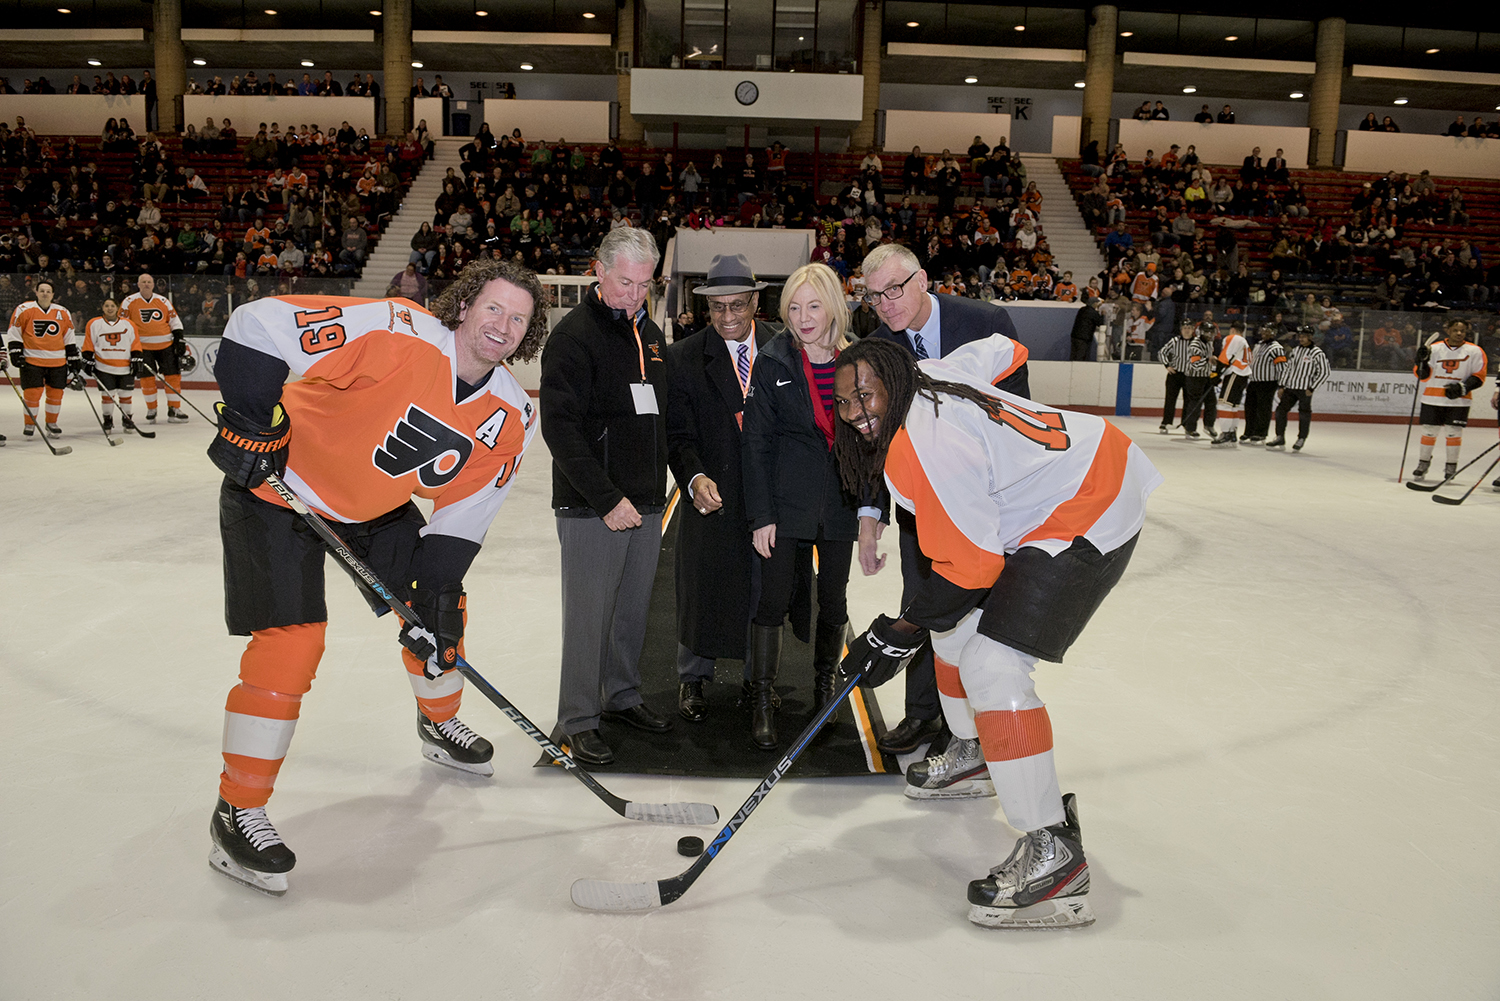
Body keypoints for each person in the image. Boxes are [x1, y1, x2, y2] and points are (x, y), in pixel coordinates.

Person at [203, 257, 545, 896]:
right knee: (292, 644)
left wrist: (434, 601)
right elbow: (259, 324)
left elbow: (464, 516)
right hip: (277, 489)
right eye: (494, 307)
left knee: (440, 615)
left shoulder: (514, 417)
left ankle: (438, 722)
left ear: (529, 335)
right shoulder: (397, 329)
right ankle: (237, 809)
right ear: (465, 306)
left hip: (373, 506)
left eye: (519, 318)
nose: (503, 324)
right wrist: (251, 420)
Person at [830, 335, 1162, 928]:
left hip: (1092, 501)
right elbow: (1005, 348)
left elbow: (973, 567)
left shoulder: (928, 444)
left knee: (992, 665)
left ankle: (1053, 851)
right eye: (846, 401)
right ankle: (977, 753)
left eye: (866, 396)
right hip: (1070, 480)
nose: (857, 412)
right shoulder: (932, 372)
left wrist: (894, 633)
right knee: (952, 633)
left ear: (895, 382)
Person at [858, 242, 1030, 757]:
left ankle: (970, 731)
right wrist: (871, 517)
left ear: (923, 279)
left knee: (983, 611)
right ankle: (922, 714)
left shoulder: (986, 322)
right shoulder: (875, 349)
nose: (886, 303)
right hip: (921, 507)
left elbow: (1019, 413)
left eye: (894, 289)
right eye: (874, 296)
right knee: (925, 604)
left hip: (988, 500)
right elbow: (874, 443)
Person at [540, 228, 673, 768]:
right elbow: (559, 428)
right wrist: (605, 498)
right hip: (593, 505)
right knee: (589, 616)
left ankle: (620, 696)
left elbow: (659, 418)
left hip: (646, 502)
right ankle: (578, 718)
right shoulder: (573, 337)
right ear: (598, 270)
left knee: (630, 613)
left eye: (644, 285)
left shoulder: (652, 334)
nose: (634, 295)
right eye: (624, 282)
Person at [737, 262, 857, 750]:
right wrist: (761, 515)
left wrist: (871, 513)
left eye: (813, 305)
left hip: (842, 505)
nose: (803, 317)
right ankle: (763, 699)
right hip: (785, 504)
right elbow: (757, 443)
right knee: (771, 600)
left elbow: (875, 444)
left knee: (834, 601)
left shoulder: (860, 360)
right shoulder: (773, 360)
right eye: (793, 307)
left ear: (833, 306)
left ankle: (825, 692)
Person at [666, 255, 781, 723]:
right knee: (701, 586)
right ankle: (692, 677)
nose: (728, 317)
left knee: (764, 589)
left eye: (738, 306)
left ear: (755, 301)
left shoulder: (783, 349)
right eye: (718, 308)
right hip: (709, 496)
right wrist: (693, 477)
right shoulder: (683, 358)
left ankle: (760, 681)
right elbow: (677, 435)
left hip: (768, 498)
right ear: (706, 306)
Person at [1408, 319, 1488, 479]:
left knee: (1453, 433)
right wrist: (1421, 361)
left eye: (1463, 331)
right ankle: (1423, 463)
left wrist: (1463, 387)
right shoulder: (1434, 348)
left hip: (1459, 401)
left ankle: (1451, 467)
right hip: (1432, 399)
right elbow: (1422, 376)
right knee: (1429, 432)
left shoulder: (1475, 351)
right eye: (1455, 330)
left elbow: (1479, 376)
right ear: (1448, 330)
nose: (1459, 333)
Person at [6, 278, 76, 437]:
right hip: (32, 360)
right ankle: (30, 424)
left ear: (53, 295)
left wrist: (73, 356)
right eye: (42, 291)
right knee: (32, 393)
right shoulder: (24, 309)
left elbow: (69, 335)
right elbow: (15, 331)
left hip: (58, 361)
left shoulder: (63, 312)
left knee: (56, 394)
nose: (45, 294)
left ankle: (51, 423)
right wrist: (15, 352)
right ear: (36, 292)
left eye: (48, 291)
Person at [120, 273, 188, 423]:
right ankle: (152, 409)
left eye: (149, 282)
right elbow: (123, 325)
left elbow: (175, 322)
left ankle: (174, 409)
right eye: (143, 282)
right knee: (147, 378)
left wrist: (179, 340)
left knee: (173, 377)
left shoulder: (163, 301)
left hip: (166, 346)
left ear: (153, 284)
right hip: (142, 347)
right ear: (138, 284)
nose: (146, 284)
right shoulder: (129, 301)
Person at [80, 296, 144, 434]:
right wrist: (87, 358)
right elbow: (88, 343)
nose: (109, 309)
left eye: (112, 306)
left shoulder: (129, 324)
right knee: (107, 395)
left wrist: (137, 357)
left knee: (126, 394)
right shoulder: (94, 323)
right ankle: (107, 420)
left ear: (117, 308)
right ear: (102, 308)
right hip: (103, 366)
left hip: (125, 366)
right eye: (107, 306)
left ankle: (127, 419)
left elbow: (135, 343)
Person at [1267, 327, 1331, 451]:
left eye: (1303, 336)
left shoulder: (1317, 353)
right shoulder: (1295, 351)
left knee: (1304, 414)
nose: (1301, 339)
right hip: (1290, 388)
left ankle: (1301, 438)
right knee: (1280, 411)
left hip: (1304, 389)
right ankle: (1280, 436)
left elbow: (1324, 372)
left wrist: (1312, 387)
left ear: (1310, 337)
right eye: (1300, 336)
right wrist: (1282, 386)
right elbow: (1288, 369)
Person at [1243, 324, 1286, 443]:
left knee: (1263, 409)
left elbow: (1282, 368)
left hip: (1267, 383)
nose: (1264, 333)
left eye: (1268, 331)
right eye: (1263, 331)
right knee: (1250, 407)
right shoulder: (1258, 345)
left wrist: (1282, 385)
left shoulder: (1276, 348)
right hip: (1254, 381)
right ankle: (1249, 431)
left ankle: (1260, 433)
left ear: (1274, 333)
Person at [1211, 320, 1251, 446]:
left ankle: (1226, 433)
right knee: (1233, 405)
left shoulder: (1233, 338)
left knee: (1224, 404)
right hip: (1242, 375)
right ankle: (1232, 433)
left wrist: (1215, 373)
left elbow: (1225, 357)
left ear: (1232, 329)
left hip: (1235, 373)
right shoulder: (1244, 342)